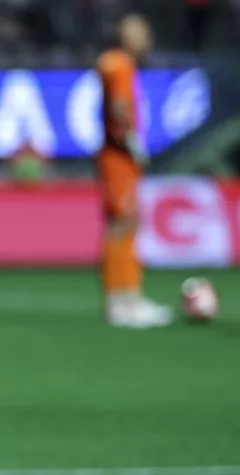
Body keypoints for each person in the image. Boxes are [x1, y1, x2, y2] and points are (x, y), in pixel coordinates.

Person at [96, 15, 173, 328]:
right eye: (143, 31)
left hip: (115, 153)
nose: (148, 37)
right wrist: (130, 140)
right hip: (119, 154)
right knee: (122, 223)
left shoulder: (113, 63)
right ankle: (123, 299)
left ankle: (128, 296)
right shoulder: (120, 64)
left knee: (126, 222)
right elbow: (118, 106)